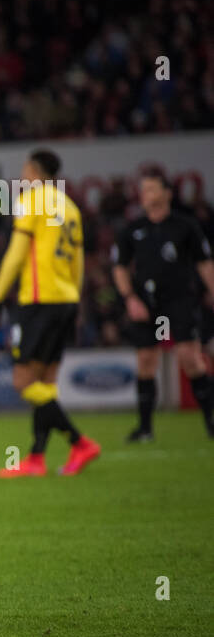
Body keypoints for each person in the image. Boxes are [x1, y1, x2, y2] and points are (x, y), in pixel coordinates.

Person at [0, 150, 100, 477]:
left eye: (24, 169)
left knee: (23, 381)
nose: (22, 175)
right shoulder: (70, 208)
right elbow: (78, 263)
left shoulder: (33, 201)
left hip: (39, 300)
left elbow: (16, 254)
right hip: (65, 299)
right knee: (45, 382)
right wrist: (75, 301)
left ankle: (79, 442)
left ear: (34, 171)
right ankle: (36, 458)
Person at [111, 168, 214, 440]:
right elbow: (120, 267)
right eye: (143, 190)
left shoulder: (185, 226)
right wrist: (130, 299)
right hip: (147, 305)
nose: (145, 195)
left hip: (179, 301)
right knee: (146, 361)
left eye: (151, 189)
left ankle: (210, 421)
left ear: (167, 193)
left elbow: (204, 262)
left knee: (189, 358)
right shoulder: (133, 229)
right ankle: (145, 428)